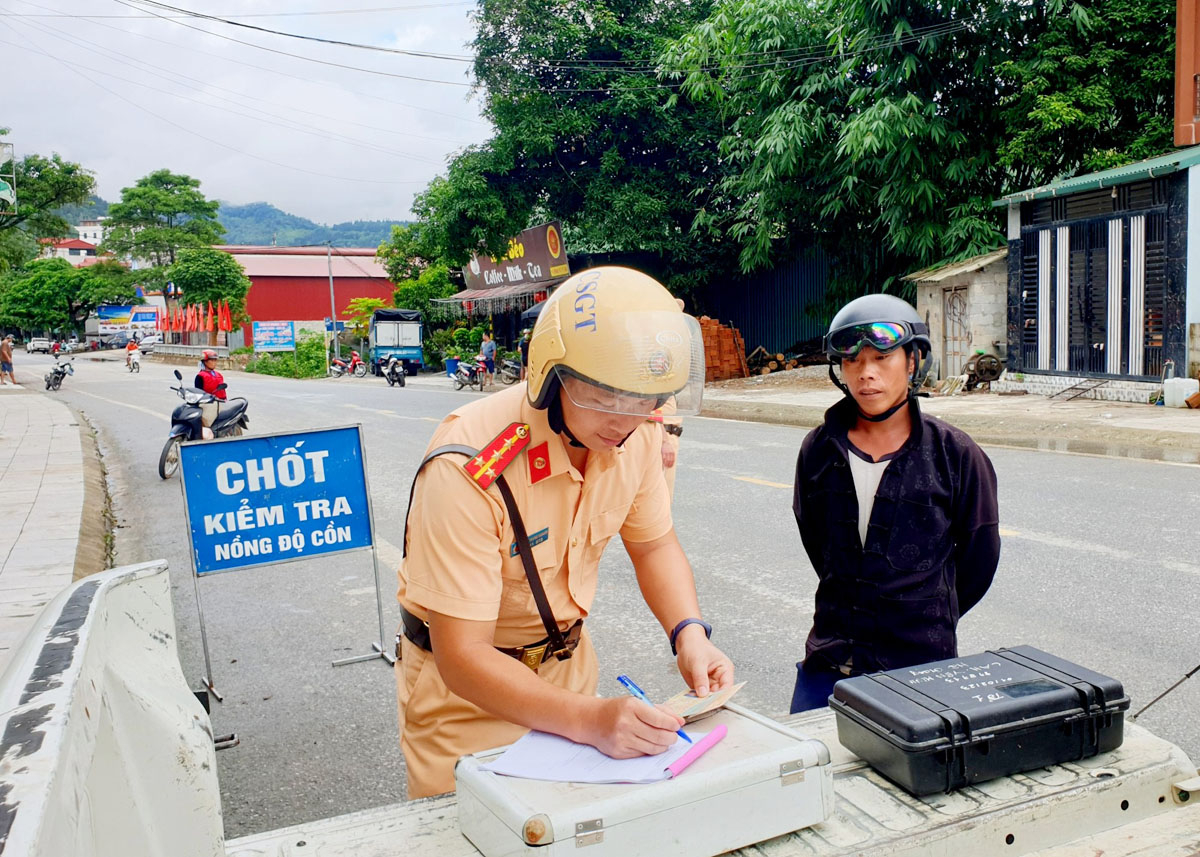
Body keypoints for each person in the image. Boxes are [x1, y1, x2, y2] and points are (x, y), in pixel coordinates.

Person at [395, 266, 733, 798]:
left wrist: (689, 634)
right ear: (552, 375)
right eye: (607, 398)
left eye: (645, 401)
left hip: (568, 674)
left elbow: (653, 545)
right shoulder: (469, 464)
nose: (624, 421)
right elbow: (462, 656)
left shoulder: (635, 435)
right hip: (468, 702)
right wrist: (593, 721)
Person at [790, 293, 1000, 713]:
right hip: (831, 662)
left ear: (912, 362)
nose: (866, 374)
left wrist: (924, 606)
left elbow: (979, 560)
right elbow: (819, 545)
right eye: (853, 361)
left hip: (921, 667)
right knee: (809, 769)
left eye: (882, 358)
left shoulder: (955, 454)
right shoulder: (818, 450)